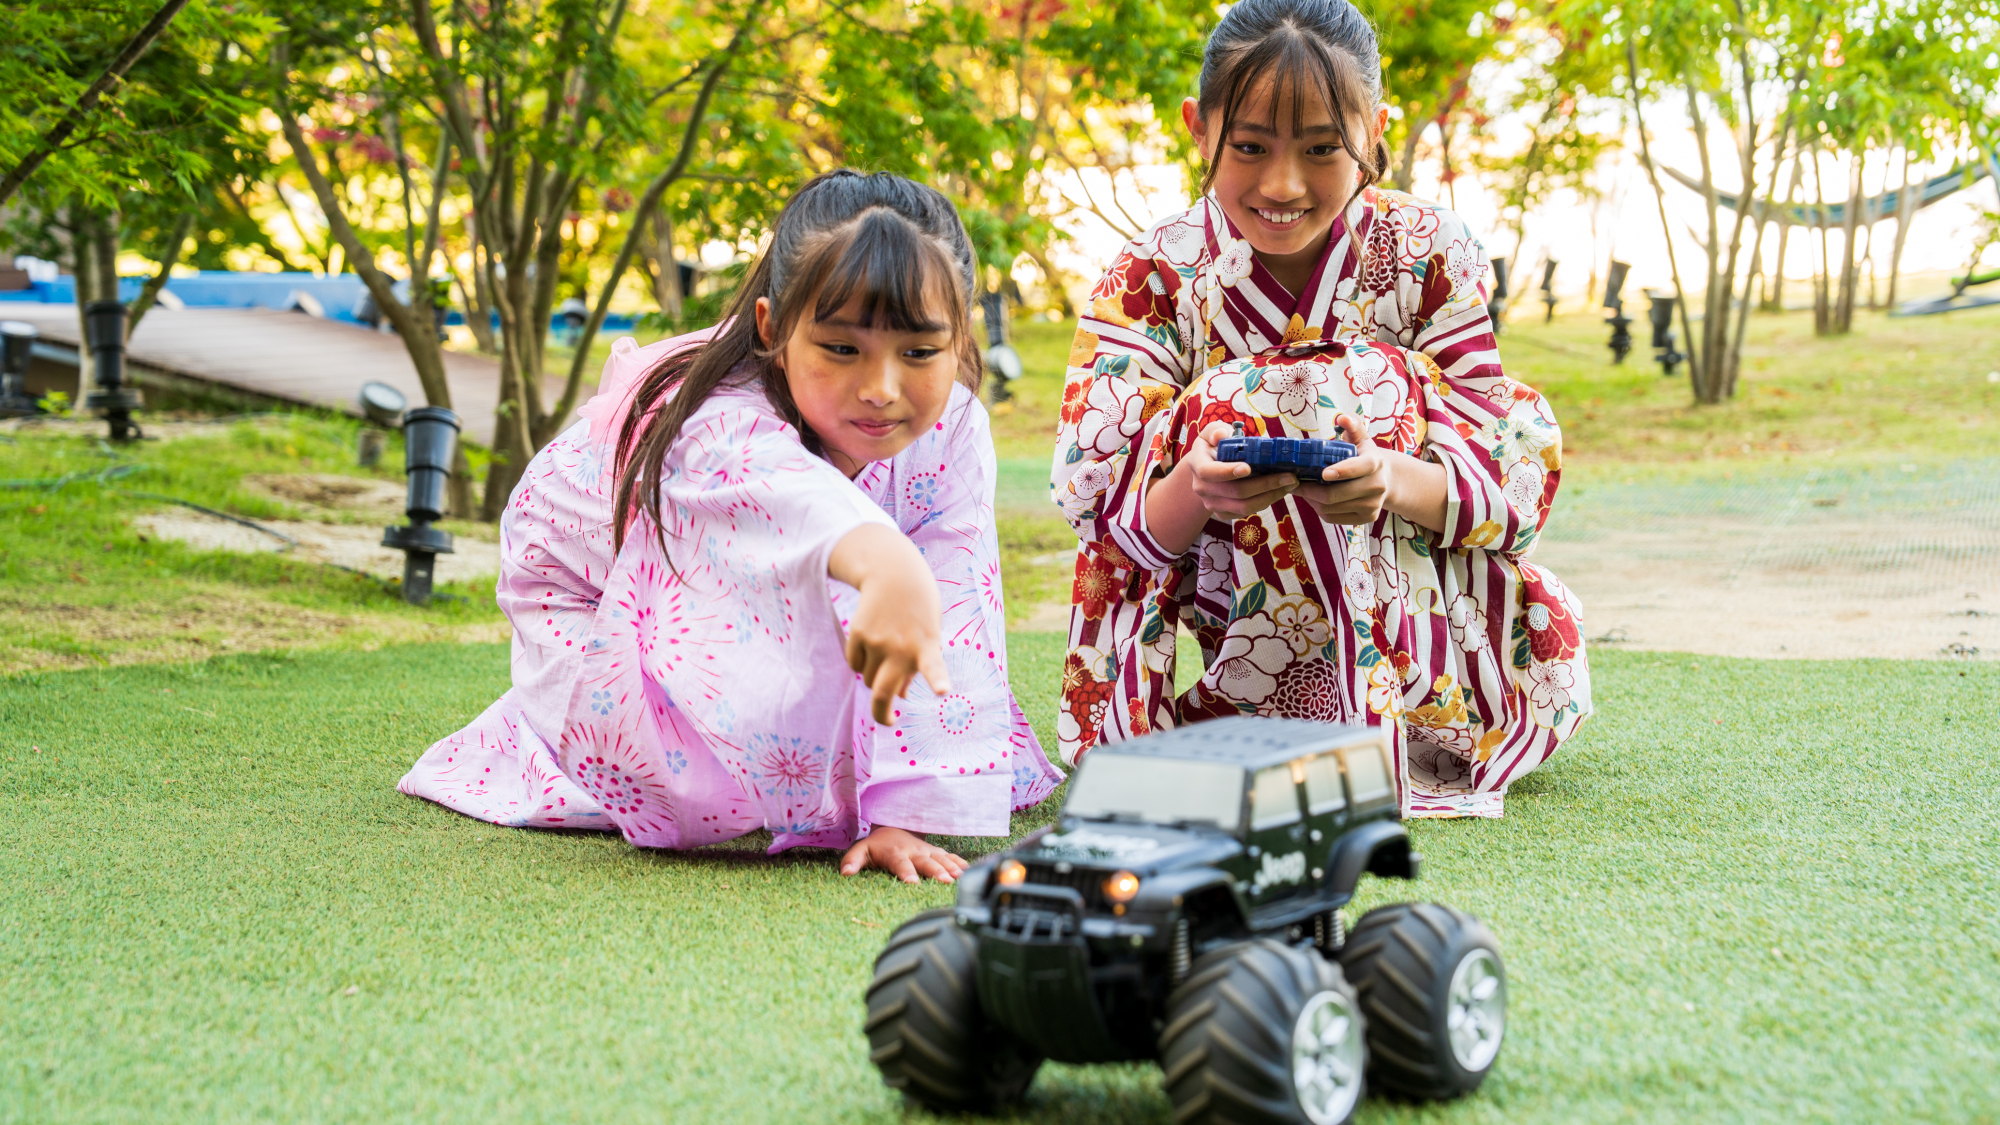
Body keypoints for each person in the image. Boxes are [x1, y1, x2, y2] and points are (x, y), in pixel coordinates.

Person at [401, 170, 1062, 882]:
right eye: (842, 349)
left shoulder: (957, 423)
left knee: (875, 634)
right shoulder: (716, 414)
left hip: (775, 572)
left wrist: (902, 811)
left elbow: (958, 600)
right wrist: (889, 563)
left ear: (960, 336)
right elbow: (781, 500)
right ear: (774, 328)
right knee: (730, 763)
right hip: (588, 600)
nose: (881, 388)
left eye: (920, 352)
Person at [1052, 0, 1591, 818]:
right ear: (1199, 129)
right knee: (1224, 408)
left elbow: (1503, 468)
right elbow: (1098, 506)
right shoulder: (1150, 276)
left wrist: (1392, 478)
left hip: (1416, 613)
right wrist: (1195, 483)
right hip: (1219, 583)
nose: (1281, 184)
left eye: (1320, 149)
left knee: (1365, 380)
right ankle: (1222, 720)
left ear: (1375, 131)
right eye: (1249, 147)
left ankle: (1399, 719)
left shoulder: (1430, 252)